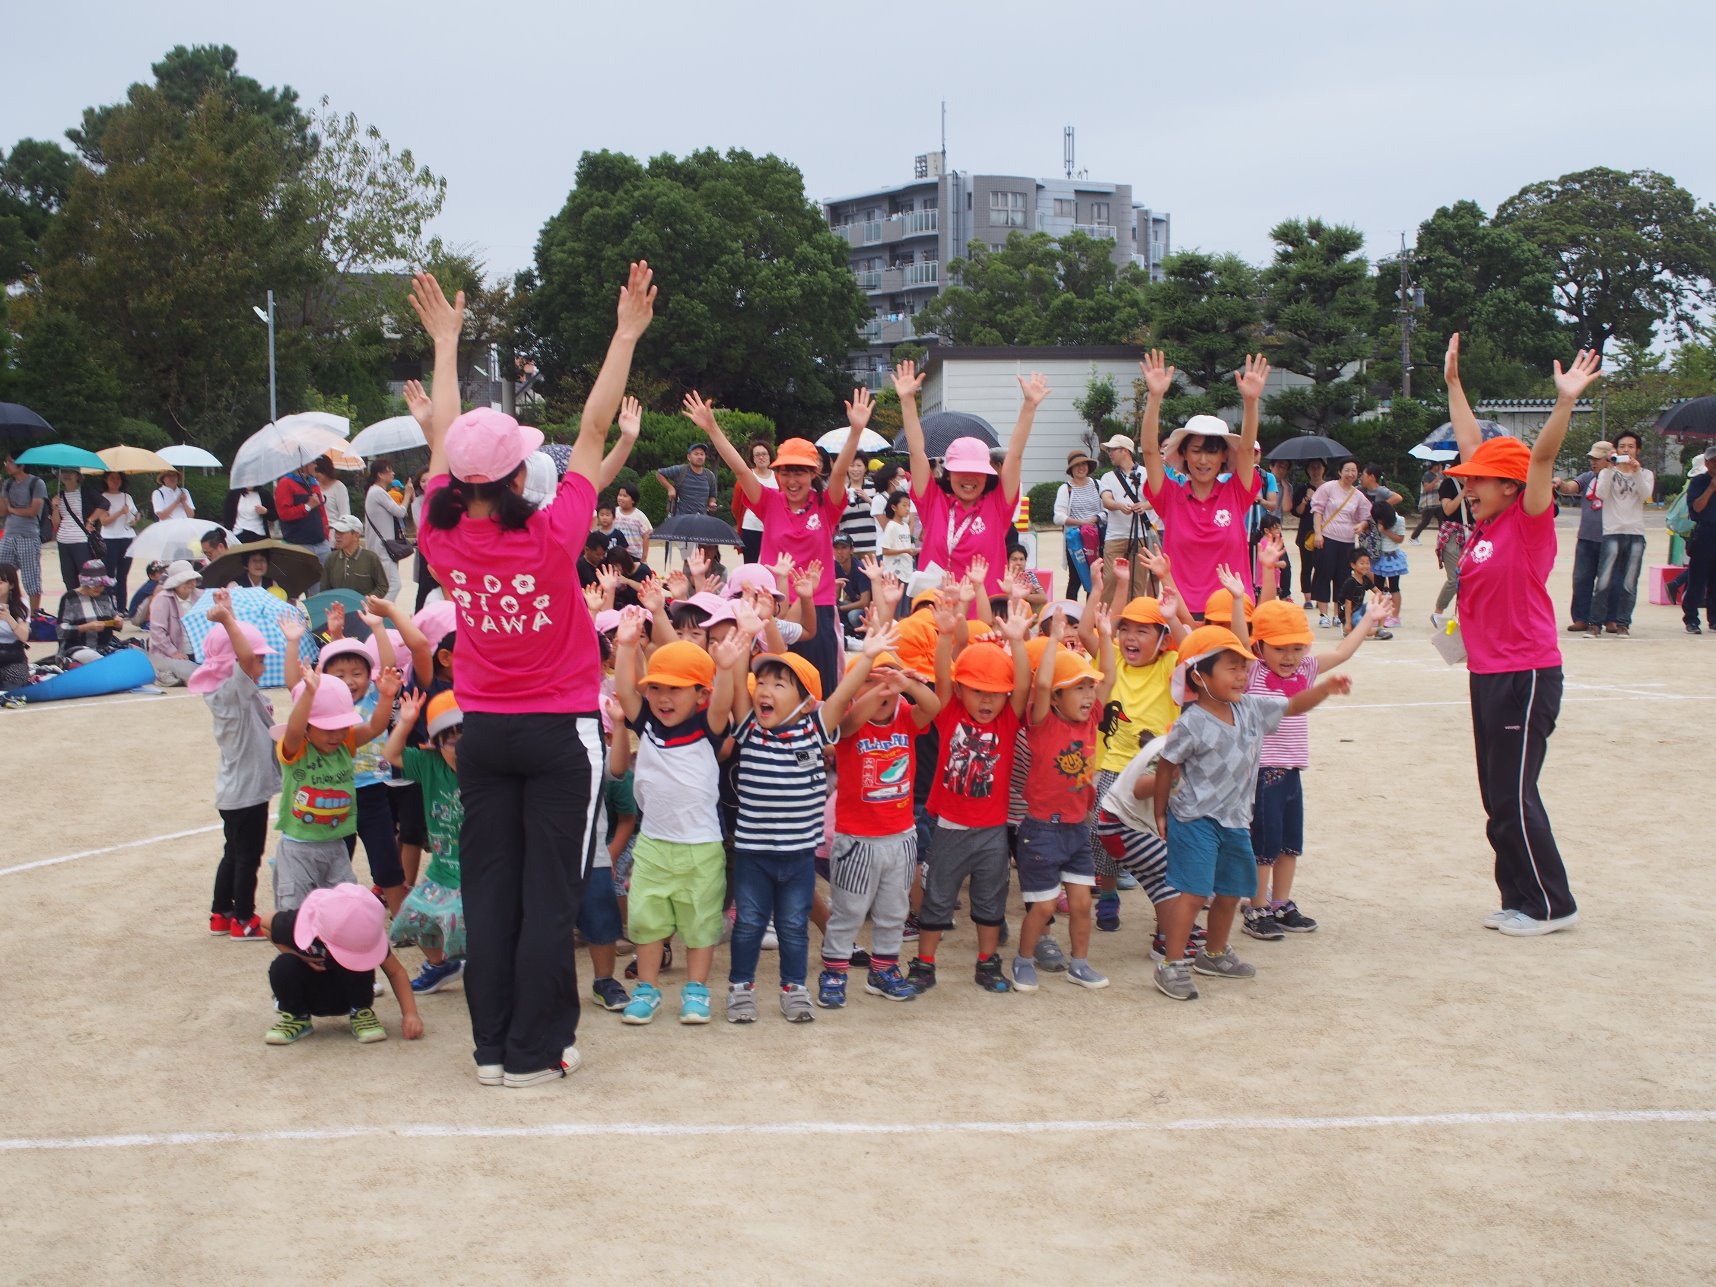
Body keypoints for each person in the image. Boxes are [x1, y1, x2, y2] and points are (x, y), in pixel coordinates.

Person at [412, 262, 652, 1084]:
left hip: (483, 734)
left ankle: (490, 1047)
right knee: (550, 892)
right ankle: (535, 1050)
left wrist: (446, 344)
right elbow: (592, 427)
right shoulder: (553, 536)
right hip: (558, 736)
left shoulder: (439, 537)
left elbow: (446, 435)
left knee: (492, 888)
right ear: (520, 476)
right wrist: (623, 334)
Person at [1443, 332, 1600, 936]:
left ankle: (1551, 905)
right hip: (1488, 674)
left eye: (1480, 481)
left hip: (1525, 674)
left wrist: (1563, 404)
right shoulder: (1483, 527)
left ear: (1509, 489)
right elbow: (1471, 444)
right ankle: (1519, 896)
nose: (1469, 486)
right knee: (1496, 795)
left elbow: (1538, 461)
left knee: (1512, 793)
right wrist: (1455, 384)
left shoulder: (1527, 523)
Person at [1151, 626, 1352, 1000]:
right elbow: (1166, 767)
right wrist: (1161, 813)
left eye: (1244, 667)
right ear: (1200, 675)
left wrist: (1323, 689)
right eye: (1232, 668)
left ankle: (1213, 953)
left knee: (1231, 892)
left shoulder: (1251, 707)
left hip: (1236, 820)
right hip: (1195, 819)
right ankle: (1172, 964)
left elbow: (1292, 705)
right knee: (1194, 893)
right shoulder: (1191, 723)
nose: (1242, 675)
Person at [724, 613, 897, 1023]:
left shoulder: (814, 731)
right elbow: (735, 693)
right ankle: (740, 987)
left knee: (792, 925)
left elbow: (840, 699)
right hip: (753, 854)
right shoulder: (750, 727)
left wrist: (869, 657)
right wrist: (745, 638)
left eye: (777, 685)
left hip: (799, 855)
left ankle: (793, 987)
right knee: (748, 924)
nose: (764, 690)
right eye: (761, 683)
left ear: (805, 702)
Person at [684, 385, 874, 699]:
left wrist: (855, 431)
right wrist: (712, 428)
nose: (792, 479)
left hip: (819, 606)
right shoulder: (769, 501)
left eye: (800, 471)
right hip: (772, 608)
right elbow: (741, 469)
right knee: (774, 684)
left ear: (814, 473)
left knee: (822, 688)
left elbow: (840, 473)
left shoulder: (826, 505)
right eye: (785, 471)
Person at [907, 595, 1034, 996]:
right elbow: (942, 679)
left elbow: (1024, 685)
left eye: (994, 693)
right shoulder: (949, 713)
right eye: (977, 691)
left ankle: (987, 961)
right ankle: (925, 963)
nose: (986, 700)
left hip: (992, 829)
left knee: (990, 899)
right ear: (961, 690)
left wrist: (1016, 641)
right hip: (948, 826)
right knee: (938, 898)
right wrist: (945, 636)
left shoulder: (1009, 720)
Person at [611, 623, 734, 1027]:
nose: (663, 698)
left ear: (701, 694)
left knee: (701, 923)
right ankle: (646, 990)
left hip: (701, 846)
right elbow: (627, 692)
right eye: (657, 688)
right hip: (653, 843)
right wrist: (627, 646)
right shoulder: (646, 722)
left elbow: (724, 703)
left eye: (676, 689)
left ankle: (696, 991)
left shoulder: (707, 728)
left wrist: (728, 668)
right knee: (646, 921)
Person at [1240, 591, 1380, 940]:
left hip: (1291, 770)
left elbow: (1344, 651)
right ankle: (1256, 906)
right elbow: (1241, 640)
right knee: (1264, 845)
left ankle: (1280, 903)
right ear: (1260, 647)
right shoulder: (1253, 670)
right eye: (1279, 648)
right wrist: (1233, 599)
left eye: (1297, 647)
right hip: (1262, 772)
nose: (1290, 656)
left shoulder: (1307, 667)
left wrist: (1368, 618)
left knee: (1290, 842)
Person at [821, 649, 943, 1007]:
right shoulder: (849, 723)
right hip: (858, 840)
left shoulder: (905, 716)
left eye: (890, 685)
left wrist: (905, 684)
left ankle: (884, 969)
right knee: (849, 913)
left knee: (894, 912)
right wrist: (874, 685)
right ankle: (835, 971)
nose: (883, 692)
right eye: (871, 684)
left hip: (901, 836)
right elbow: (852, 720)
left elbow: (932, 706)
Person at [1012, 608, 1118, 992]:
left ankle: (1080, 963)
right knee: (1041, 907)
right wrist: (1054, 639)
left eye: (1090, 688)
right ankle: (1023, 959)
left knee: (1081, 905)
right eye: (1079, 688)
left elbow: (1110, 678)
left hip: (1077, 828)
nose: (1090, 696)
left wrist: (1105, 636)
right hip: (1041, 830)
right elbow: (1040, 686)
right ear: (1057, 696)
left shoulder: (1090, 719)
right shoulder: (1042, 721)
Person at [896, 358, 1049, 601]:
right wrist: (907, 401)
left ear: (988, 474)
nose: (968, 479)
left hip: (983, 619)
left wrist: (1029, 406)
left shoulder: (998, 505)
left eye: (976, 471)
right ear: (949, 473)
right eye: (960, 471)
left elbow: (1015, 456)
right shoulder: (933, 501)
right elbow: (916, 452)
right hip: (934, 614)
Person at [1138, 350, 1270, 615]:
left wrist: (1251, 401)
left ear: (1224, 457)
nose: (1203, 459)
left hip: (1233, 613)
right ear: (1184, 454)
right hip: (1182, 613)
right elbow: (1150, 450)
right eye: (1196, 450)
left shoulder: (1236, 493)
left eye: (1212, 451)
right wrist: (1154, 397)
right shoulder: (1170, 497)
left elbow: (1246, 450)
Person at [269, 666, 398, 914]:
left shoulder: (344, 743)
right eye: (328, 728)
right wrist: (309, 693)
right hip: (299, 848)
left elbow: (375, 728)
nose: (337, 735)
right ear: (308, 726)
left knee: (344, 911)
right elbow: (295, 730)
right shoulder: (297, 749)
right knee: (296, 912)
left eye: (342, 726)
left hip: (336, 845)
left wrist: (387, 697)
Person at [190, 588, 278, 941]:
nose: (261, 664)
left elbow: (237, 653)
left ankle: (220, 913)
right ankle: (243, 917)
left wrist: (229, 615)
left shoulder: (229, 690)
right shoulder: (231, 692)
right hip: (246, 793)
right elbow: (241, 656)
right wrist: (227, 620)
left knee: (233, 852)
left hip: (237, 791)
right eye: (258, 659)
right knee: (248, 857)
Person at [260, 882, 423, 1047]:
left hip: (349, 995)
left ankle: (360, 1011)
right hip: (309, 993)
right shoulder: (299, 922)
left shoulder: (361, 932)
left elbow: (396, 972)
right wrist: (297, 956)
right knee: (283, 964)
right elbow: (265, 924)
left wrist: (410, 1013)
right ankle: (297, 1015)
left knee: (359, 963)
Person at [383, 690, 469, 995]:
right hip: (442, 871)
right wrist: (405, 723)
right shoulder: (431, 764)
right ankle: (440, 964)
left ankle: (490, 969)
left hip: (482, 870)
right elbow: (391, 754)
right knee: (413, 916)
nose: (460, 749)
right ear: (436, 745)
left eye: (469, 738)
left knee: (464, 921)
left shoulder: (492, 770)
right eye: (450, 741)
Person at [1587, 428, 1654, 637]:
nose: (1627, 450)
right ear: (1615, 449)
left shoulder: (1645, 474)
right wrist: (1609, 467)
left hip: (1635, 532)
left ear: (1638, 450)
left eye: (1631, 447)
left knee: (1629, 581)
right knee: (1604, 580)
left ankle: (1623, 623)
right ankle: (1595, 623)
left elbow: (1645, 496)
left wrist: (1635, 472)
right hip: (1612, 531)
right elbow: (1601, 494)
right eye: (1623, 446)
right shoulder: (1608, 472)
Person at [1556, 441, 1613, 632]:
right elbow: (1571, 487)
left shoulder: (1618, 478)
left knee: (1609, 580)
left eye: (1598, 459)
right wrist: (1560, 484)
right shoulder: (1588, 477)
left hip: (1610, 537)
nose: (1593, 462)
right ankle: (1581, 617)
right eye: (1591, 459)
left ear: (1609, 458)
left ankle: (1609, 618)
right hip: (1587, 537)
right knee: (1581, 578)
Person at [1309, 460, 1374, 626]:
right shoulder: (1328, 488)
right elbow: (1317, 511)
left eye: (1354, 471)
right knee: (1324, 574)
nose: (1351, 474)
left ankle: (1338, 614)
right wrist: (1318, 533)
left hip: (1347, 542)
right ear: (1340, 472)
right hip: (1327, 537)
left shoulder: (1358, 495)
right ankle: (1323, 614)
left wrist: (1362, 525)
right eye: (1347, 470)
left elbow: (1366, 516)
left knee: (1343, 577)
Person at [1097, 434, 1156, 607]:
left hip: (1141, 533)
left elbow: (1158, 500)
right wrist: (1118, 505)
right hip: (1115, 535)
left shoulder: (1146, 474)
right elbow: (1106, 500)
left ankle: (1133, 615)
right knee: (1110, 579)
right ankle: (1107, 617)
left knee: (1138, 581)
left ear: (1125, 451)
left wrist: (1143, 506)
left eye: (1113, 449)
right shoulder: (1108, 477)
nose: (1110, 453)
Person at [1054, 449, 1106, 603]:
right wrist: (1082, 523)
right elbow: (1058, 516)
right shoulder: (1066, 489)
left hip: (1097, 539)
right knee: (1076, 578)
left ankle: (1092, 615)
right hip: (1075, 541)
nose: (1081, 468)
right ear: (1071, 469)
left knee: (1096, 576)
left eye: (1084, 464)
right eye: (1077, 465)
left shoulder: (1098, 485)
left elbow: (1107, 509)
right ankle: (1072, 615)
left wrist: (1096, 518)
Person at [1, 456, 48, 614]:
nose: (7, 465)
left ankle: (35, 615)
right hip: (9, 535)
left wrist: (12, 509)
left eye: (10, 461)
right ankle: (9, 611)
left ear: (22, 464)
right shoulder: (8, 484)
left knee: (31, 577)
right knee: (4, 575)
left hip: (28, 535)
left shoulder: (36, 483)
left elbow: (32, 511)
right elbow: (2, 511)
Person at [363, 461, 414, 600]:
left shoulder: (374, 491)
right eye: (389, 470)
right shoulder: (378, 492)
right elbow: (400, 512)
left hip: (382, 547)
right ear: (380, 474)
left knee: (386, 586)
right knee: (394, 586)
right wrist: (408, 494)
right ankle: (381, 615)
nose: (393, 473)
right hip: (383, 548)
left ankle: (381, 615)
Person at [148, 560, 203, 685]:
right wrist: (173, 652)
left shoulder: (201, 596)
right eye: (185, 580)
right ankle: (164, 672)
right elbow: (157, 632)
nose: (190, 583)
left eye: (192, 579)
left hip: (197, 652)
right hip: (170, 653)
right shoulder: (163, 599)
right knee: (194, 676)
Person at [1682, 444, 1716, 634]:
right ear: (1706, 462)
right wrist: (1711, 488)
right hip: (1705, 532)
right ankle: (1691, 618)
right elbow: (1697, 508)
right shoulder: (1699, 482)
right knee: (1697, 578)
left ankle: (1714, 618)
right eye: (1713, 462)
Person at [56, 558, 123, 654]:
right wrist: (86, 627)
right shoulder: (70, 598)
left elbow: (112, 617)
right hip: (77, 649)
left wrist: (117, 622)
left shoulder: (104, 595)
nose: (99, 588)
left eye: (101, 585)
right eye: (94, 585)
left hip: (104, 647)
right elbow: (61, 631)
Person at [91, 472, 139, 605]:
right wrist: (120, 513)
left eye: (118, 478)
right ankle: (108, 605)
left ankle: (122, 607)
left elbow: (135, 514)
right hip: (109, 539)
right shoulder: (103, 498)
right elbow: (104, 521)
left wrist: (135, 518)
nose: (115, 481)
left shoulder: (126, 497)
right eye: (112, 478)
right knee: (109, 574)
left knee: (123, 576)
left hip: (127, 537)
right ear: (106, 480)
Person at [51, 467, 99, 594]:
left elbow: (104, 505)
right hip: (63, 541)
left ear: (78, 476)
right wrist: (55, 507)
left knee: (87, 577)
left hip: (81, 540)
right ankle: (74, 606)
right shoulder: (59, 496)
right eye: (63, 473)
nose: (66, 475)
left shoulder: (86, 492)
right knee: (68, 578)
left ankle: (90, 605)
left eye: (70, 472)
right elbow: (56, 524)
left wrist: (91, 520)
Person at [1434, 461, 1473, 616]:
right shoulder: (1448, 484)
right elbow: (1448, 509)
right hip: (1452, 534)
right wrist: (1463, 493)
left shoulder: (1477, 484)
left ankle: (1466, 613)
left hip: (1471, 533)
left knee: (1471, 577)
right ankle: (1438, 611)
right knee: (1455, 578)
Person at [733, 438, 778, 565]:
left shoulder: (779, 478)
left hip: (772, 529)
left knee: (771, 564)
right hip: (750, 527)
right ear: (753, 458)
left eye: (764, 454)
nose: (761, 457)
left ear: (770, 456)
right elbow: (736, 506)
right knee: (750, 564)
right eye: (757, 455)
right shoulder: (747, 477)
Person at [274, 461, 330, 563]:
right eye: (313, 462)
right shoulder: (285, 483)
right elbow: (284, 514)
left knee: (326, 578)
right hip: (299, 545)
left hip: (321, 544)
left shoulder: (313, 483)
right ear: (303, 464)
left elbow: (321, 510)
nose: (316, 466)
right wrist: (307, 506)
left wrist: (325, 533)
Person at [321, 515, 389, 598]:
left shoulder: (371, 558)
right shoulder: (331, 559)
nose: (336, 536)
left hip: (363, 609)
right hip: (337, 609)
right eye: (336, 531)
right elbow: (324, 590)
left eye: (342, 532)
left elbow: (382, 587)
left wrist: (365, 601)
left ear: (356, 535)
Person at [1290, 459, 1327, 607]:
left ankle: (1320, 597)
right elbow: (1297, 512)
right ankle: (1308, 598)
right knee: (1307, 566)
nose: (1316, 470)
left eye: (1318, 467)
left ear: (1324, 469)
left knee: (1322, 566)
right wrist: (1306, 499)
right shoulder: (1302, 488)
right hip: (1306, 532)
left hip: (1325, 532)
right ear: (1308, 470)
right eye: (1312, 468)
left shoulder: (1330, 488)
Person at [657, 441, 719, 518]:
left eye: (702, 454)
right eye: (696, 454)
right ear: (689, 457)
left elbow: (712, 495)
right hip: (681, 519)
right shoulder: (680, 470)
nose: (699, 457)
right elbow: (660, 473)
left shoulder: (710, 475)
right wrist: (670, 488)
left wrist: (712, 503)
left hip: (701, 519)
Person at [836, 456, 878, 559]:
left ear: (866, 468)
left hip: (872, 546)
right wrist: (843, 503)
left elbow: (883, 514)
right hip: (848, 548)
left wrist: (869, 500)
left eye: (859, 465)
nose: (855, 469)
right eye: (851, 465)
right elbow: (835, 520)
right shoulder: (840, 490)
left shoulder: (875, 487)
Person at [831, 534, 871, 633]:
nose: (839, 552)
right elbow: (835, 598)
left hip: (870, 609)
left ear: (851, 550)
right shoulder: (835, 565)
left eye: (844, 548)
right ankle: (847, 633)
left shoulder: (860, 568)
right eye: (836, 548)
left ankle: (861, 635)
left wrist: (840, 608)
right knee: (830, 608)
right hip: (854, 604)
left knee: (853, 616)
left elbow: (865, 602)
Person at [0, 562, 29, 690]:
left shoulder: (21, 604)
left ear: (11, 585)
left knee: (12, 686)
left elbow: (24, 637)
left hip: (13, 658)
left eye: (0, 583)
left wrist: (8, 618)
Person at [611, 481, 653, 562]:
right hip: (616, 555)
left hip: (634, 556)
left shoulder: (639, 516)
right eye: (620, 495)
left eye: (625, 496)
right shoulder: (613, 513)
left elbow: (646, 537)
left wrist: (644, 558)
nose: (621, 498)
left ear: (633, 500)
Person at [1411, 463, 1445, 542]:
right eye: (1438, 466)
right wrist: (1436, 480)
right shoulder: (1427, 475)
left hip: (1438, 502)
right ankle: (1413, 537)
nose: (1440, 467)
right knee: (1425, 521)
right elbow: (1427, 488)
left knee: (1442, 521)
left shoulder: (1441, 475)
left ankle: (1442, 537)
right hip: (1429, 503)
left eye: (1441, 466)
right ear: (1434, 466)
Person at [314, 456, 351, 526]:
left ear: (325, 471)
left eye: (317, 472)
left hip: (334, 531)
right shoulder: (314, 486)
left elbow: (345, 514)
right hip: (318, 532)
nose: (315, 475)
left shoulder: (339, 487)